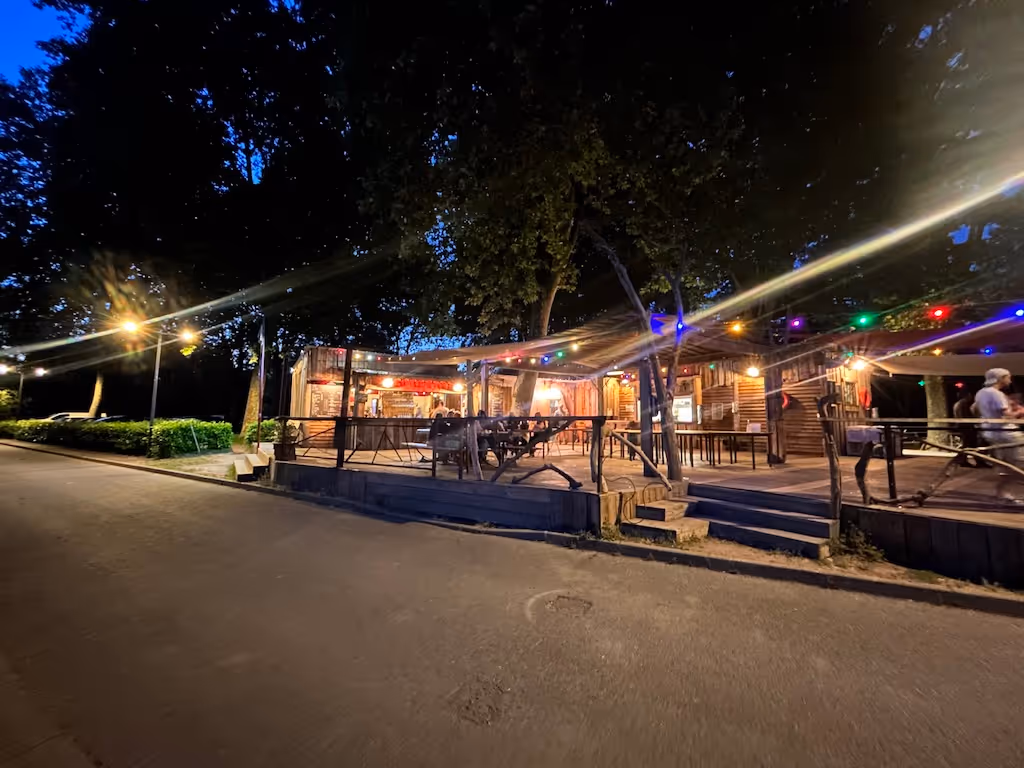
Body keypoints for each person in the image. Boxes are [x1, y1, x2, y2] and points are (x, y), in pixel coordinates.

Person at [974, 368, 1024, 504]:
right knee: (1018, 463)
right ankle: (1004, 491)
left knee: (1006, 464)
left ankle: (1003, 492)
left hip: (991, 432)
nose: (1010, 380)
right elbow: (1007, 415)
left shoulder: (980, 393)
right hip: (1006, 433)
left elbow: (974, 409)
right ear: (1001, 378)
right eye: (1008, 377)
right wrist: (1020, 412)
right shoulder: (997, 394)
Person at [952, 390, 980, 466]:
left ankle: (963, 459)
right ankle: (963, 459)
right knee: (969, 443)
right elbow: (965, 416)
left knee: (968, 444)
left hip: (961, 425)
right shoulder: (963, 404)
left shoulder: (957, 404)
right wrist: (973, 421)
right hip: (966, 426)